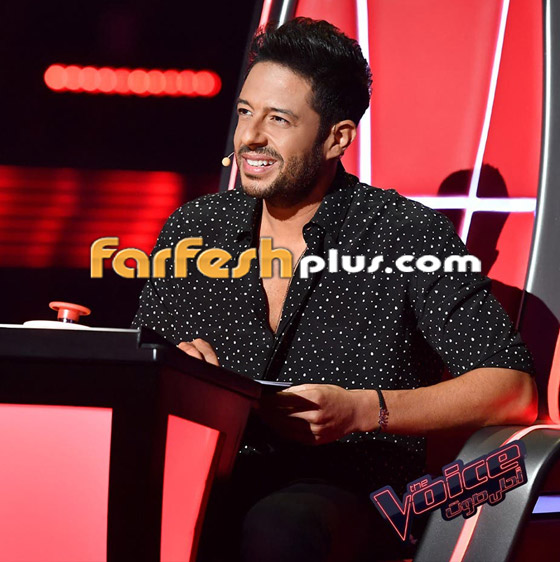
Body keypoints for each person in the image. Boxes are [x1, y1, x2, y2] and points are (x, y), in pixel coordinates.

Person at [132, 18, 537, 561]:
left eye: (278, 119)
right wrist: (181, 368)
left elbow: (511, 389)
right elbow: (142, 364)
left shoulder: (404, 233)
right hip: (212, 471)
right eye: (246, 112)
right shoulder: (196, 228)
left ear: (337, 138)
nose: (250, 137)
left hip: (354, 490)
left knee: (280, 527)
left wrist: (362, 411)